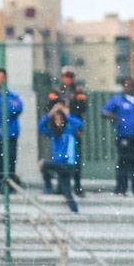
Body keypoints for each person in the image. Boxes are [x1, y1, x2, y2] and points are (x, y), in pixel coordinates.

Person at [102, 76, 134, 196]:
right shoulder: (118, 100)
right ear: (123, 86)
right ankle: (121, 188)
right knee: (123, 162)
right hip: (124, 135)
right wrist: (113, 118)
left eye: (132, 85)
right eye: (127, 85)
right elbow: (104, 112)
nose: (130, 87)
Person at [48, 66, 88, 196]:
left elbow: (82, 108)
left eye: (70, 76)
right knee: (59, 159)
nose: (68, 79)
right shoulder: (57, 91)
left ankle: (77, 185)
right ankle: (61, 185)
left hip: (73, 129)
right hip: (60, 130)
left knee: (75, 158)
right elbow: (50, 106)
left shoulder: (78, 92)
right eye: (66, 76)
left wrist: (72, 102)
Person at [37, 103, 83, 213]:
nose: (58, 122)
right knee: (66, 191)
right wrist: (50, 113)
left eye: (60, 119)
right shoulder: (54, 132)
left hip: (68, 164)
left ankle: (48, 186)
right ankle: (75, 211)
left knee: (43, 163)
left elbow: (80, 124)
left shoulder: (69, 130)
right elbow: (40, 127)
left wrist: (67, 114)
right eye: (56, 119)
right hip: (60, 165)